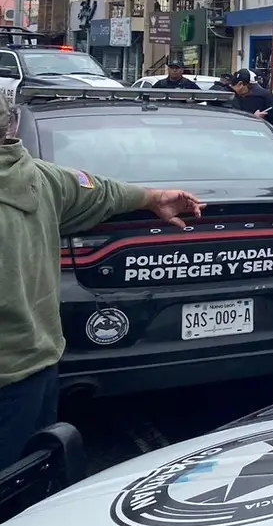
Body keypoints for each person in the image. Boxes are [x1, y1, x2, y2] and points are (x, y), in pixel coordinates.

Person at [0, 92, 203, 469]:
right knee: (26, 479)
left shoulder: (44, 177)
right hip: (37, 365)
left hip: (20, 369)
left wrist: (150, 197)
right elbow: (98, 190)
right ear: (10, 127)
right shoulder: (39, 178)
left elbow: (98, 189)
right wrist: (152, 197)